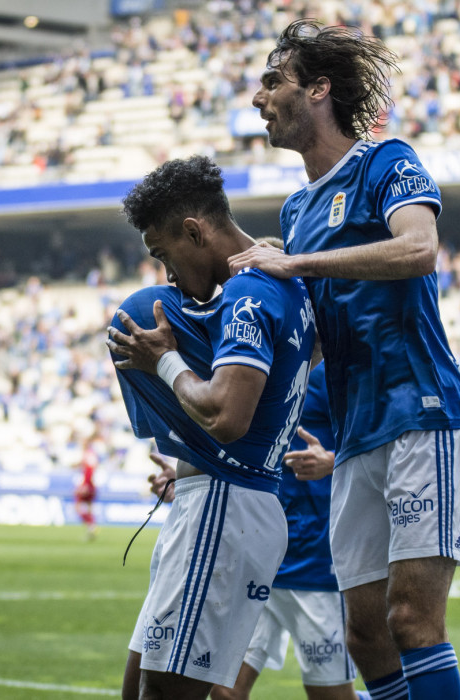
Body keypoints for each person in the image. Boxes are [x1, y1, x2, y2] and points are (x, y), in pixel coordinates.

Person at [228, 20, 460, 700]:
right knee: (363, 632)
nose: (258, 98)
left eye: (272, 81)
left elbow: (418, 249)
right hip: (356, 430)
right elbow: (309, 338)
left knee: (411, 619)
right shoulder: (297, 206)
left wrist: (296, 261)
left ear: (318, 88)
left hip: (423, 414)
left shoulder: (386, 161)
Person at [106, 155, 315, 700]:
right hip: (216, 498)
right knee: (140, 690)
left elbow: (226, 416)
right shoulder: (276, 281)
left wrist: (166, 363)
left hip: (226, 503)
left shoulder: (250, 290)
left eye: (162, 253)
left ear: (194, 231)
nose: (167, 275)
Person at [210, 362, 368, 700]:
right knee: (224, 691)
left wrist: (332, 461)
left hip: (315, 561)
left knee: (331, 697)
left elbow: (375, 444)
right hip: (258, 554)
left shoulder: (334, 371)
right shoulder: (254, 363)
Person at [74, 434, 99, 541]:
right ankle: (91, 528)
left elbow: (89, 471)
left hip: (88, 485)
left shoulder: (88, 455)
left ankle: (91, 526)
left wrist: (85, 485)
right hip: (91, 485)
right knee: (89, 508)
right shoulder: (90, 454)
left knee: (78, 507)